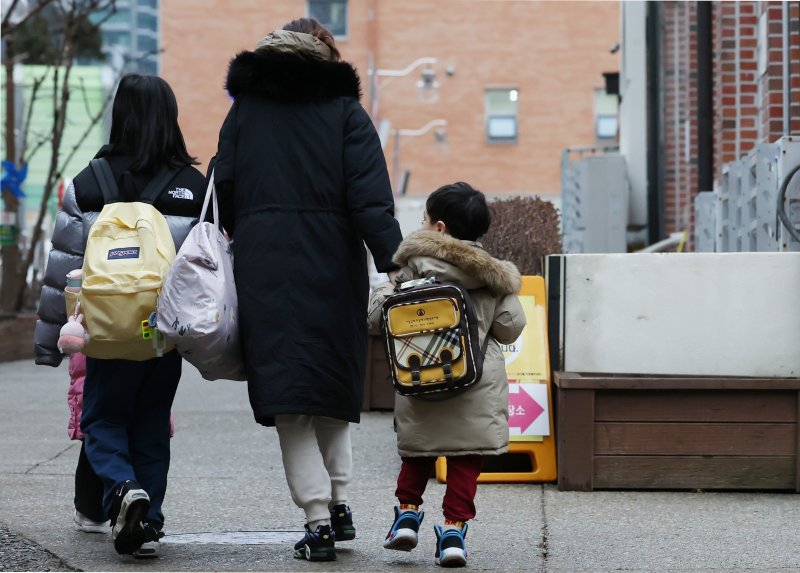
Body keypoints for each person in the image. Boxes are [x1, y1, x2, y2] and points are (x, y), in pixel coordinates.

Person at [214, 17, 403, 562]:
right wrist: (392, 260)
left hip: (265, 263)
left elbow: (222, 186)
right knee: (329, 387)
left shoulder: (246, 107)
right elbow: (370, 197)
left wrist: (244, 226)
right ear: (326, 54)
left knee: (289, 397)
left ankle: (317, 517)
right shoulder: (345, 109)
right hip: (330, 262)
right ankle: (340, 503)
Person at [34, 73, 207, 558]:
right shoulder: (192, 187)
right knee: (152, 421)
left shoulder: (88, 183)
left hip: (103, 331)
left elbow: (63, 269)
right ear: (170, 118)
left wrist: (51, 342)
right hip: (163, 331)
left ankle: (122, 487)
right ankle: (146, 522)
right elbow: (205, 270)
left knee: (104, 418)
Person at [367, 182, 526, 568]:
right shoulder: (494, 277)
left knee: (418, 449)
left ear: (438, 228)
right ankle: (453, 530)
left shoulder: (408, 268)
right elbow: (510, 326)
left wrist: (381, 292)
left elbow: (377, 320)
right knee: (466, 457)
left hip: (420, 375)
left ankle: (406, 513)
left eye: (423, 217)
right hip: (475, 380)